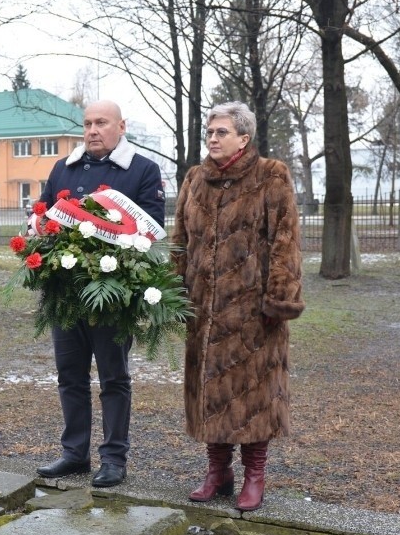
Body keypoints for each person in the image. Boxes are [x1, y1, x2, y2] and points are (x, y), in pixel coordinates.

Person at [171, 102, 305, 511]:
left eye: (221, 132)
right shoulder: (195, 179)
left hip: (252, 314)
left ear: (243, 139)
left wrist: (278, 300)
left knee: (254, 397)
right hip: (204, 313)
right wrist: (173, 293)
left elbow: (285, 240)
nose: (212, 138)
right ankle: (217, 473)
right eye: (210, 132)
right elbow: (180, 240)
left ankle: (255, 476)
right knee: (209, 393)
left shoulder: (271, 176)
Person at [35, 100, 166, 487]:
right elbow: (44, 215)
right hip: (66, 294)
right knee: (70, 376)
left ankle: (113, 459)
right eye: (88, 123)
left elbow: (151, 230)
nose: (92, 130)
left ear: (121, 126)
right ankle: (74, 454)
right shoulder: (64, 168)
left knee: (113, 378)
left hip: (113, 296)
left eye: (101, 123)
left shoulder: (143, 170)